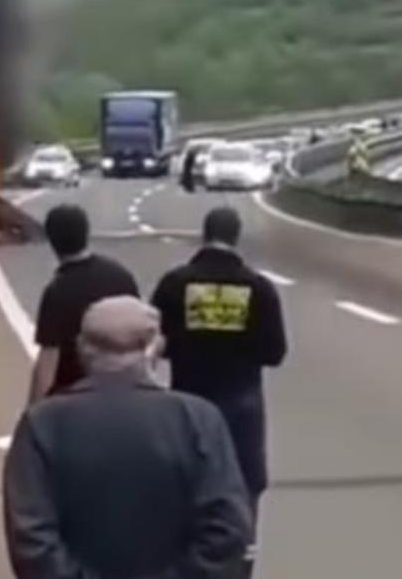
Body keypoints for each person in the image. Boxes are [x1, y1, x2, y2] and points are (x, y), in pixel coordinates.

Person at [4, 296, 253, 578]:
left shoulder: (43, 423)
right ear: (155, 348)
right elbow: (228, 528)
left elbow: (31, 537)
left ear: (81, 349)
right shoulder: (197, 418)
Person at [151, 207, 287, 577]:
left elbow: (154, 344)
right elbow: (275, 353)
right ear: (237, 236)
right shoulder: (258, 288)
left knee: (186, 490)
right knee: (244, 489)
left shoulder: (174, 285)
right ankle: (241, 565)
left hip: (189, 404)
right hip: (241, 406)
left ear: (204, 234)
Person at [30, 204, 139, 402]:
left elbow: (48, 361)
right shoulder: (120, 275)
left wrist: (34, 410)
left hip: (74, 396)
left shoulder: (57, 293)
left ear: (52, 241)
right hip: (125, 390)